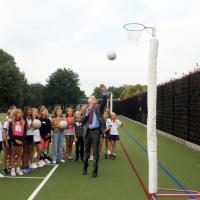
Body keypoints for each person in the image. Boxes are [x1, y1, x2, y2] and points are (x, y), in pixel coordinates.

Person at [82, 84, 108, 178]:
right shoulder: (86, 110)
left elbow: (104, 102)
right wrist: (87, 114)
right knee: (86, 152)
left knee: (95, 152)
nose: (91, 100)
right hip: (88, 132)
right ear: (88, 101)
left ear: (95, 101)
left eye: (93, 99)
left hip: (96, 132)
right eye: (90, 99)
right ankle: (85, 167)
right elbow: (82, 121)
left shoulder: (98, 108)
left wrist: (104, 92)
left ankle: (95, 171)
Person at [9, 109, 26, 176]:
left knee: (19, 155)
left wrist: (22, 141)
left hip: (21, 141)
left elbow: (24, 133)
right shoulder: (11, 122)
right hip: (14, 140)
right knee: (13, 155)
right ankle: (13, 169)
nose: (20, 114)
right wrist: (15, 140)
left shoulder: (23, 122)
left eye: (21, 113)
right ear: (15, 114)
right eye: (18, 113)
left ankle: (18, 168)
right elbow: (10, 133)